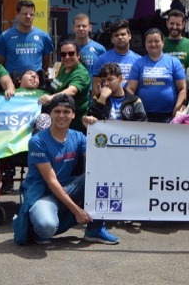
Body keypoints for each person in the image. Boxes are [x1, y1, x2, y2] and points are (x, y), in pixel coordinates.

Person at [13, 95, 119, 246]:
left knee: (101, 175)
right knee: (46, 227)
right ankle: (34, 224)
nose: (61, 116)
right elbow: (51, 181)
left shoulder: (79, 137)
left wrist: (92, 131)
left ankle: (94, 230)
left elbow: (99, 162)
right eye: (57, 111)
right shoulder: (37, 141)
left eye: (66, 111)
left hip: (67, 187)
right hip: (43, 193)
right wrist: (76, 210)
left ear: (74, 114)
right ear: (50, 114)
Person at [127, 28, 187, 122]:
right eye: (149, 41)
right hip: (143, 115)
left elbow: (182, 88)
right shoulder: (138, 63)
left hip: (169, 115)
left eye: (156, 41)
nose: (153, 44)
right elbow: (130, 89)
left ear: (163, 43)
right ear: (145, 44)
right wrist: (130, 108)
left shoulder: (174, 62)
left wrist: (177, 108)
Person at [0, 0, 54, 81]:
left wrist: (38, 76)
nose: (28, 17)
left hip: (35, 83)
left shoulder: (43, 36)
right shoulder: (5, 36)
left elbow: (47, 61)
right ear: (17, 14)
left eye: (31, 14)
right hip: (13, 83)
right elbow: (0, 63)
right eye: (25, 14)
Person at [40, 40, 91, 130]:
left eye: (71, 53)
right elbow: (55, 86)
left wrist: (51, 98)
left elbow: (72, 90)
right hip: (59, 118)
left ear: (78, 55)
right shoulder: (63, 68)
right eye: (63, 54)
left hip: (75, 122)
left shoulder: (81, 73)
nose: (67, 57)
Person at [83, 62, 147, 124]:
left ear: (120, 79)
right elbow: (90, 122)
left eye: (110, 80)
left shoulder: (134, 101)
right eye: (103, 81)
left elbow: (142, 125)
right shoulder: (97, 99)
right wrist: (101, 100)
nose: (106, 84)